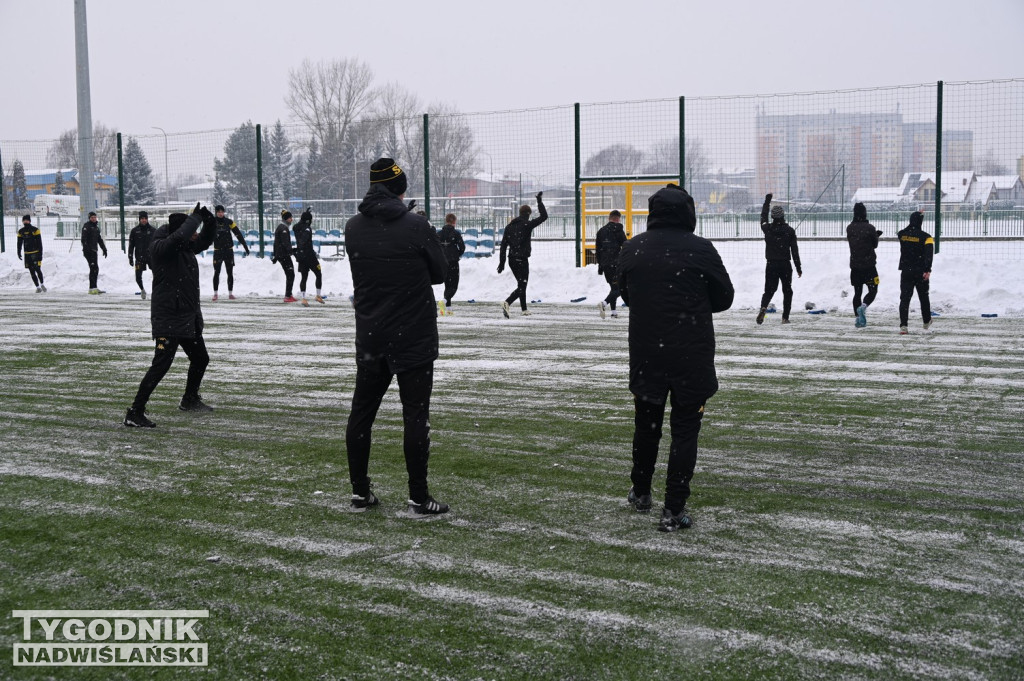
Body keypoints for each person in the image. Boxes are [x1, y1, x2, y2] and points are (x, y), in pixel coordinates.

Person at [618, 184, 734, 532]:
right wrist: (691, 303)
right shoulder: (701, 249)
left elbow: (626, 292)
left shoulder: (633, 248)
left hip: (647, 352)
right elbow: (724, 297)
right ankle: (673, 507)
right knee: (685, 430)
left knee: (646, 425)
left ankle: (641, 492)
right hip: (690, 354)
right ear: (688, 213)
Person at [344, 158, 449, 517]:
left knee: (361, 415)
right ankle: (418, 498)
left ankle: (360, 493)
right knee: (415, 417)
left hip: (372, 333)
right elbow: (440, 273)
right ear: (400, 189)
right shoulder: (417, 226)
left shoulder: (353, 227)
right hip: (413, 335)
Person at [123, 204, 218, 428]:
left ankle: (189, 398)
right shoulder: (162, 248)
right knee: (161, 365)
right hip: (168, 319)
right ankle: (135, 412)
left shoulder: (184, 247)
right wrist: (194, 218)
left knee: (201, 358)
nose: (194, 235)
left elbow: (204, 239)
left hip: (185, 319)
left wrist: (208, 220)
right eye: (191, 230)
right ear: (180, 230)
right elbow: (180, 236)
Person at [498, 192, 547, 317]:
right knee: (522, 284)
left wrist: (502, 263)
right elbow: (544, 216)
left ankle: (524, 309)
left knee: (521, 283)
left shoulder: (509, 227)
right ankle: (507, 302)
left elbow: (503, 245)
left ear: (520, 213)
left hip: (512, 260)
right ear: (528, 214)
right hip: (522, 259)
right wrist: (539, 202)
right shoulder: (527, 225)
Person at [755, 193, 801, 324]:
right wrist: (798, 267)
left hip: (771, 264)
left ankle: (764, 307)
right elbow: (795, 251)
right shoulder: (790, 231)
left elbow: (763, 217)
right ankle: (785, 317)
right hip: (785, 265)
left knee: (769, 290)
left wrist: (767, 201)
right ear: (783, 216)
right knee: (787, 290)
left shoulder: (767, 228)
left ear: (772, 217)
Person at [846, 202, 883, 328]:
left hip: (855, 266)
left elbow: (856, 242)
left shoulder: (849, 228)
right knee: (873, 289)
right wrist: (876, 236)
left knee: (857, 292)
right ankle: (863, 306)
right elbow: (874, 245)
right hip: (869, 266)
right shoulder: (870, 228)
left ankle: (858, 319)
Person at [897, 210, 934, 335]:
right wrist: (927, 270)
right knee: (923, 297)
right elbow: (929, 255)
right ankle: (926, 321)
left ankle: (903, 325)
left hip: (906, 271)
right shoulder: (927, 237)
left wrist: (915, 218)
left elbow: (902, 232)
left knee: (905, 299)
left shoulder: (902, 235)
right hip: (920, 272)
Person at [210, 205, 249, 301]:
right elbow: (206, 234)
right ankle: (215, 293)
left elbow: (238, 233)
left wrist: (245, 245)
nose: (220, 213)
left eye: (222, 211)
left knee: (230, 273)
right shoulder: (212, 222)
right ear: (216, 212)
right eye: (218, 211)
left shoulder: (229, 222)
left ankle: (230, 293)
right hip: (218, 251)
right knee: (216, 272)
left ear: (224, 212)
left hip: (228, 251)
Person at [595, 209, 627, 318]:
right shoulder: (618, 229)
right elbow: (625, 245)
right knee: (621, 288)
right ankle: (604, 303)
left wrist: (600, 266)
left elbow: (598, 250)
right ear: (618, 219)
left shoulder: (601, 231)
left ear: (609, 218)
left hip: (605, 264)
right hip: (616, 264)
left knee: (614, 288)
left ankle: (613, 312)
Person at [292, 207, 324, 306]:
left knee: (304, 276)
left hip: (301, 256)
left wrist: (298, 251)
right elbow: (304, 240)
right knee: (318, 273)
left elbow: (299, 239)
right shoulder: (307, 228)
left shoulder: (296, 227)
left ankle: (303, 298)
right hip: (309, 255)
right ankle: (318, 295)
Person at [437, 212, 465, 315]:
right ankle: (444, 301)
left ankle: (448, 309)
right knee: (454, 286)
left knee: (447, 285)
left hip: (443, 262)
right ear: (454, 221)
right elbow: (462, 247)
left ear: (446, 221)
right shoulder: (456, 233)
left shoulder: (439, 234)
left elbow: (436, 248)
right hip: (453, 262)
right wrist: (456, 254)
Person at [128, 211, 155, 300]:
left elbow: (158, 244)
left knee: (157, 275)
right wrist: (130, 257)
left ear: (147, 219)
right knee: (138, 277)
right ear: (139, 219)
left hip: (151, 257)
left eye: (145, 219)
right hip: (139, 257)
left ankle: (156, 291)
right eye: (142, 219)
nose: (144, 220)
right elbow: (131, 245)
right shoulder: (135, 231)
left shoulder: (153, 230)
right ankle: (142, 289)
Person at [272, 210, 297, 303]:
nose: (292, 219)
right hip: (283, 255)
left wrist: (275, 255)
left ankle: (289, 294)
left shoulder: (282, 227)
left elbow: (276, 243)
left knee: (290, 274)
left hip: (281, 254)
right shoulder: (283, 229)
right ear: (286, 219)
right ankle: (287, 296)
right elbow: (285, 243)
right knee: (290, 274)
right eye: (290, 218)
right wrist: (291, 251)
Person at [81, 211, 108, 294]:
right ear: (89, 218)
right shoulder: (87, 226)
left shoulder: (96, 227)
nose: (94, 218)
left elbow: (99, 239)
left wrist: (104, 249)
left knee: (95, 268)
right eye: (92, 217)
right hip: (88, 251)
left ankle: (94, 287)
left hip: (94, 251)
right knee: (93, 268)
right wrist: (87, 249)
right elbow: (83, 239)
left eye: (95, 217)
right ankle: (91, 288)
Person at [17, 215, 45, 293]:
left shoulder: (35, 230)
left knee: (38, 269)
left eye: (27, 220)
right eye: (24, 220)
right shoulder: (21, 231)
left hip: (35, 253)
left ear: (29, 221)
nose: (25, 221)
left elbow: (40, 244)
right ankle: (38, 287)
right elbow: (19, 243)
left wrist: (40, 255)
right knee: (31, 271)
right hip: (27, 254)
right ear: (22, 221)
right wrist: (18, 252)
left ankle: (42, 284)